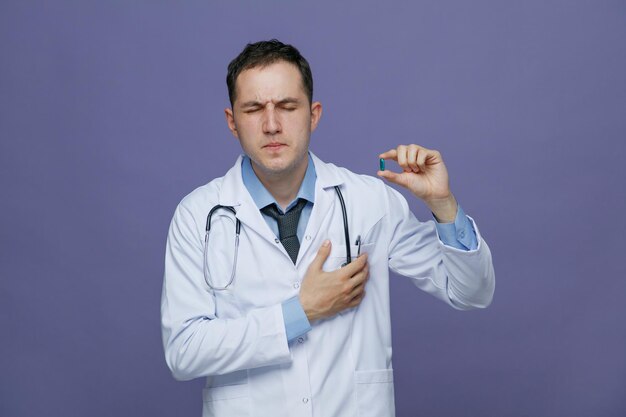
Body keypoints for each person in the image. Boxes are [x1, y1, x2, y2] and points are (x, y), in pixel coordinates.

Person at [161, 39, 495, 417]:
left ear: (313, 114)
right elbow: (183, 352)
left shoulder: (368, 201)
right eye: (254, 109)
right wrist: (300, 310)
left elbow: (472, 292)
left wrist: (443, 206)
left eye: (288, 106)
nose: (272, 125)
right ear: (232, 121)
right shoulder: (197, 216)